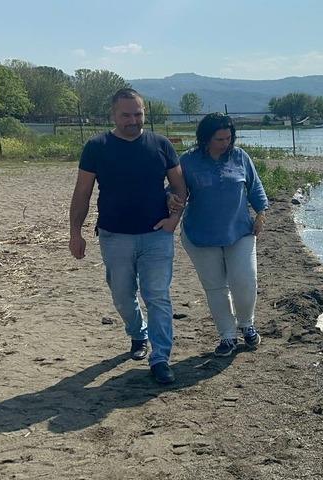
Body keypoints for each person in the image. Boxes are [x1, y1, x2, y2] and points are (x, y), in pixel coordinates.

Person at [69, 88, 187, 385]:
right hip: (114, 235)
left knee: (157, 296)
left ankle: (160, 357)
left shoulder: (160, 145)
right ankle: (138, 333)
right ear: (113, 115)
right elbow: (82, 193)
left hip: (157, 235)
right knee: (122, 295)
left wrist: (174, 218)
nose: (133, 120)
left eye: (138, 114)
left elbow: (179, 186)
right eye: (126, 115)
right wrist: (75, 232)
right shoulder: (97, 146)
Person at [177, 113, 268, 357]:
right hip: (200, 235)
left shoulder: (240, 157)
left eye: (229, 138)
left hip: (240, 231)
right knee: (215, 287)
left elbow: (254, 186)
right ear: (205, 138)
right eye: (219, 139)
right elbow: (175, 192)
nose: (225, 143)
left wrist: (260, 213)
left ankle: (247, 325)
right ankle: (227, 336)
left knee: (245, 281)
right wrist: (169, 200)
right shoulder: (188, 161)